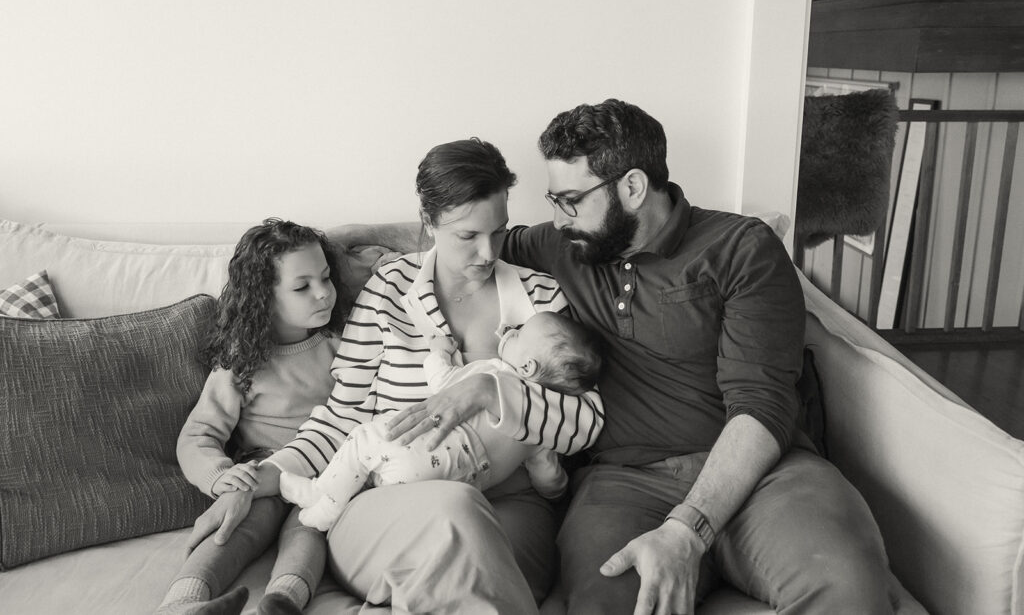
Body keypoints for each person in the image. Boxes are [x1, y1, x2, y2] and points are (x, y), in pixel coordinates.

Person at [331, 100, 898, 614]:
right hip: (624, 486)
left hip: (765, 477)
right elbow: (468, 235)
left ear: (631, 187)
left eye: (571, 200)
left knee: (848, 587)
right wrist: (344, 241)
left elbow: (763, 404)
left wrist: (688, 530)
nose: (558, 217)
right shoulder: (569, 245)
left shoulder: (741, 249)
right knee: (601, 603)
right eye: (554, 200)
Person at [185, 138, 605, 614]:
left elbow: (585, 422)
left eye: (499, 231)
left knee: (465, 543)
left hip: (509, 506)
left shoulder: (541, 302)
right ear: (428, 223)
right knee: (456, 513)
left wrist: (490, 390)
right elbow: (344, 416)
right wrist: (260, 479)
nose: (488, 253)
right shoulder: (389, 289)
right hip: (384, 504)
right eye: (467, 236)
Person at [158, 218, 349, 615]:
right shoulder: (241, 363)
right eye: (302, 286)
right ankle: (183, 605)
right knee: (231, 529)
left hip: (325, 473)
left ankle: (282, 601)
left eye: (326, 278)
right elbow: (198, 435)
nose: (323, 294)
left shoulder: (344, 345)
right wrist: (220, 475)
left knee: (308, 529)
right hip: (258, 475)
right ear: (263, 297)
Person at [278, 310, 603, 531]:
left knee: (365, 439)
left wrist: (438, 352)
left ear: (528, 367)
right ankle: (344, 500)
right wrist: (558, 495)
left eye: (519, 335)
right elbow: (547, 475)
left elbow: (443, 384)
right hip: (459, 488)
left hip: (428, 452)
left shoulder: (493, 373)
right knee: (383, 483)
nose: (511, 331)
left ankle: (322, 498)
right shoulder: (540, 424)